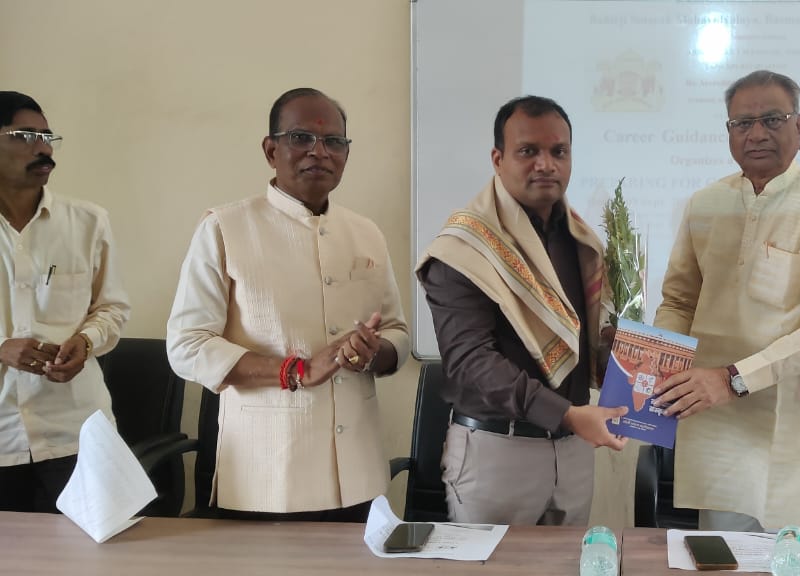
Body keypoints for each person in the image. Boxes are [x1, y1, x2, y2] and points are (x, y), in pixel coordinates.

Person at [167, 88, 409, 521]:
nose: (320, 152)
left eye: (334, 142)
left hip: (360, 473)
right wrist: (295, 371)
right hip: (269, 476)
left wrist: (376, 351)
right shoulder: (226, 227)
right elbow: (186, 345)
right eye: (301, 138)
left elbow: (397, 332)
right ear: (270, 149)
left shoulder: (366, 231)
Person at [650, 70, 800, 532]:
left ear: (799, 126)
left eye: (772, 119)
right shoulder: (705, 205)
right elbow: (679, 300)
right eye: (741, 123)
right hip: (720, 432)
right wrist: (651, 367)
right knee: (724, 562)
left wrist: (734, 379)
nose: (756, 134)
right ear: (728, 131)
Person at [417, 95, 625, 526]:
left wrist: (620, 354)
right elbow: (471, 361)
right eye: (528, 151)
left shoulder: (583, 243)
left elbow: (582, 347)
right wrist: (565, 414)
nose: (546, 164)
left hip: (573, 451)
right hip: (497, 451)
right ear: (498, 158)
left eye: (558, 152)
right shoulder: (462, 248)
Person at [0, 91, 130, 513]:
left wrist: (87, 341)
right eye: (24, 135)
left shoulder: (88, 221)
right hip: (1, 438)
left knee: (90, 559)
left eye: (46, 135)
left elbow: (112, 307)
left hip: (76, 431)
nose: (43, 147)